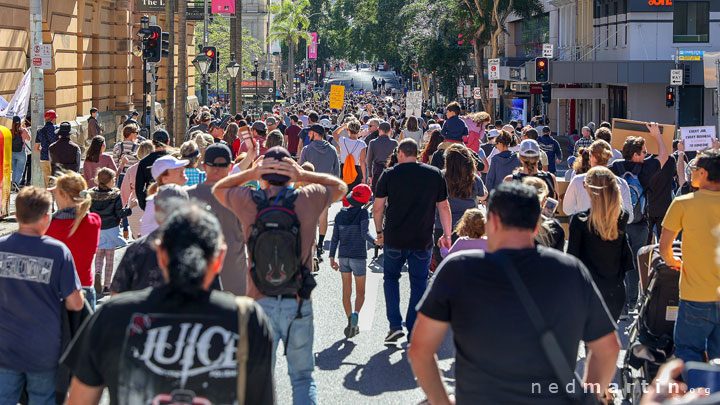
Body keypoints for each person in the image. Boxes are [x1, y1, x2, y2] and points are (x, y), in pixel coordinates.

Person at [410, 182, 620, 404]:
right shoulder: (570, 270)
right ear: (536, 227)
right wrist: (590, 394)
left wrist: (442, 401)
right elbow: (608, 349)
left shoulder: (458, 270)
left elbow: (420, 350)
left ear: (492, 222)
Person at [62, 204, 275, 405]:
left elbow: (80, 399)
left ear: (161, 255)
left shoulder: (113, 314)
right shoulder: (246, 318)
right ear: (219, 258)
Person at [214, 146, 347, 404]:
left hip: (258, 300)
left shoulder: (249, 201)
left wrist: (251, 172)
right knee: (302, 378)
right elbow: (340, 187)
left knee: (257, 378)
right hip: (298, 302)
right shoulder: (308, 198)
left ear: (263, 175)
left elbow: (219, 189)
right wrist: (304, 176)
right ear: (290, 173)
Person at [0, 186, 84, 405]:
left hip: (5, 348)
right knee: (42, 399)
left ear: (16, 215)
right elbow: (75, 303)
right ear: (47, 217)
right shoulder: (58, 251)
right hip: (44, 349)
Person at [373, 139, 452, 343]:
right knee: (419, 283)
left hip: (394, 237)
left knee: (391, 279)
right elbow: (444, 207)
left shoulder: (389, 174)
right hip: (422, 237)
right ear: (417, 153)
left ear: (400, 153)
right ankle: (412, 325)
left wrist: (379, 232)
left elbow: (378, 207)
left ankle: (394, 325)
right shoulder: (434, 174)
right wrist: (447, 234)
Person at [659, 148, 720, 363]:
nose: (691, 172)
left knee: (688, 353)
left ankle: (696, 394)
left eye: (693, 168)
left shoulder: (683, 203)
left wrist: (674, 262)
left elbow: (664, 246)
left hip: (695, 295)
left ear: (703, 173)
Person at [609, 123, 672, 311]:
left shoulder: (614, 167)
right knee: (637, 264)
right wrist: (657, 136)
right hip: (639, 223)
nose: (645, 155)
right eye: (643, 152)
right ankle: (632, 301)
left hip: (616, 222)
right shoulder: (645, 169)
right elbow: (664, 156)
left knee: (616, 262)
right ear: (636, 155)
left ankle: (619, 304)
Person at [567, 166, 633, 321]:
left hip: (589, 291)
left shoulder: (581, 220)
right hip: (615, 291)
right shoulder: (621, 218)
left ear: (590, 190)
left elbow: (572, 258)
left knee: (593, 342)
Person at [187, 144, 249, 296]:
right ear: (230, 167)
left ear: (204, 166)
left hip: (197, 281)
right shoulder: (243, 197)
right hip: (235, 281)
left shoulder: (186, 196)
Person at [111, 186, 188, 294]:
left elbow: (116, 292)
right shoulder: (199, 246)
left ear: (156, 209)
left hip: (142, 308)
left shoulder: (137, 248)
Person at [46, 172, 101, 308]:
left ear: (64, 196)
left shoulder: (50, 225)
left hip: (58, 290)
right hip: (86, 287)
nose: (54, 197)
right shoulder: (94, 221)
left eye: (56, 194)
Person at [329, 184, 376, 339]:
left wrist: (331, 257)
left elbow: (335, 237)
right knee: (360, 292)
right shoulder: (363, 214)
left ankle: (350, 319)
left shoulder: (340, 214)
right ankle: (356, 315)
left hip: (343, 256)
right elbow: (365, 234)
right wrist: (376, 242)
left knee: (346, 291)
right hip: (358, 256)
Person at [432, 144, 486, 269]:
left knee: (443, 266)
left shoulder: (440, 176)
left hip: (442, 225)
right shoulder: (474, 178)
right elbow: (483, 196)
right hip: (467, 225)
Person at [563, 140, 634, 222]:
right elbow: (629, 218)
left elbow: (567, 210)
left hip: (584, 228)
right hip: (610, 230)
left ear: (591, 156)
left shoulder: (578, 180)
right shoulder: (621, 183)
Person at [299, 123, 341, 260]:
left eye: (310, 133)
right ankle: (321, 244)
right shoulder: (332, 150)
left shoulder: (306, 150)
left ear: (315, 134)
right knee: (323, 216)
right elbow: (336, 171)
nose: (308, 135)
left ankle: (313, 244)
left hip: (310, 189)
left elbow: (301, 170)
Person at [89, 168, 132, 295]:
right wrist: (130, 208)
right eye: (113, 179)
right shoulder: (115, 195)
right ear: (109, 181)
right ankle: (107, 285)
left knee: (99, 254)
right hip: (112, 228)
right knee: (109, 257)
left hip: (98, 228)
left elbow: (89, 212)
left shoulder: (91, 194)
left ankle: (97, 273)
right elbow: (119, 213)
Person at [140, 155, 189, 236]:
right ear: (165, 179)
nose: (183, 169)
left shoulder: (180, 193)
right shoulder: (157, 203)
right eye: (177, 169)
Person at [120, 140, 154, 238]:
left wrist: (119, 212)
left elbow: (124, 193)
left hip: (135, 207)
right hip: (153, 206)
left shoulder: (131, 170)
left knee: (139, 242)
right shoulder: (157, 168)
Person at [135, 129, 171, 210]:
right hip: (170, 203)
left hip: (151, 201)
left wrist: (144, 205)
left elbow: (139, 187)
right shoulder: (173, 160)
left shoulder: (144, 162)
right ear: (168, 142)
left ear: (152, 143)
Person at [332, 119, 367, 190]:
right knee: (354, 191)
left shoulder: (343, 140)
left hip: (343, 167)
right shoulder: (362, 144)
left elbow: (334, 133)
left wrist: (344, 126)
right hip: (357, 169)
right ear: (359, 131)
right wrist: (364, 177)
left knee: (344, 190)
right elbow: (362, 161)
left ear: (348, 130)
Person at [366, 121, 398, 193]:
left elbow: (369, 160)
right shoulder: (394, 143)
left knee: (377, 192)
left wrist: (369, 175)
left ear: (379, 130)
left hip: (377, 169)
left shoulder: (373, 142)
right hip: (391, 169)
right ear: (390, 131)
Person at [10, 116, 30, 190]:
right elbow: (28, 139)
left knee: (14, 169)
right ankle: (16, 182)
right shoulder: (23, 130)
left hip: (12, 152)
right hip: (21, 152)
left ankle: (13, 184)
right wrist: (24, 129)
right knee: (20, 170)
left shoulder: (10, 131)